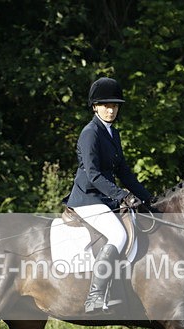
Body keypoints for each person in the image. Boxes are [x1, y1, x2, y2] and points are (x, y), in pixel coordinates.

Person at [64, 77, 153, 313]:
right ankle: (95, 296)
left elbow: (123, 171)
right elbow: (93, 174)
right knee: (118, 234)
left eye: (114, 105)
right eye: (106, 105)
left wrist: (148, 198)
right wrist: (122, 195)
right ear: (95, 106)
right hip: (88, 198)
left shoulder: (113, 133)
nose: (111, 109)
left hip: (104, 198)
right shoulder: (90, 133)